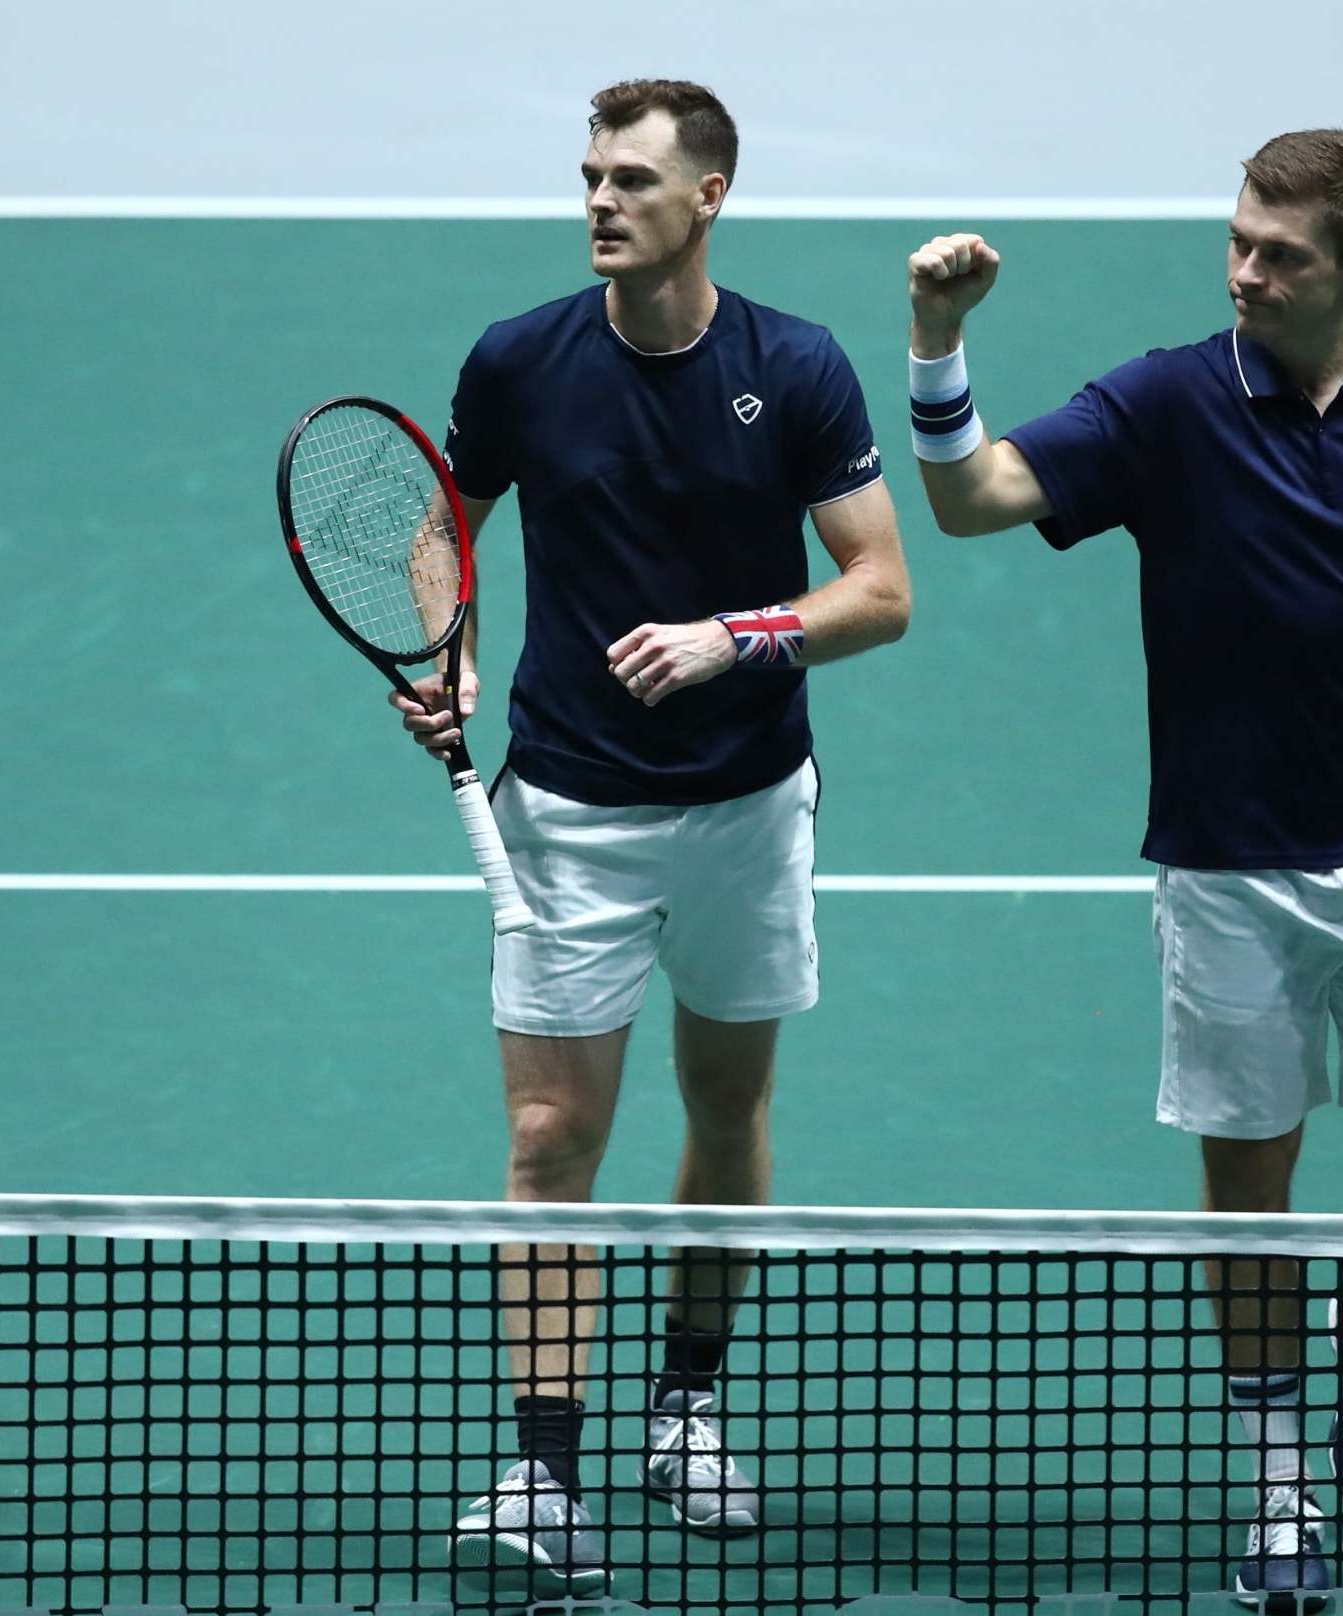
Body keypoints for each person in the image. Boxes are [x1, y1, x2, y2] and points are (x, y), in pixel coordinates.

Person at [904, 129, 1343, 1612]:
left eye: (1277, 253)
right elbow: (970, 501)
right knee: (1250, 1198)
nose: (1243, 271)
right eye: (1235, 240)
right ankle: (1282, 1489)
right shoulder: (1168, 399)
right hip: (1230, 873)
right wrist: (939, 349)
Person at [399, 78, 911, 1597]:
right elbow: (446, 519)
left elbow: (880, 589)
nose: (600, 201)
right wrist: (448, 653)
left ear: (710, 197)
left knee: (726, 1114)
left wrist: (735, 639)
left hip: (750, 806)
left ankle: (687, 1405)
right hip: (567, 807)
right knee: (553, 1142)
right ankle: (544, 1470)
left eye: (631, 179)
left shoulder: (794, 368)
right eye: (589, 176)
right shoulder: (521, 361)